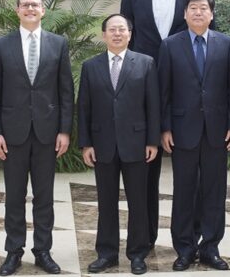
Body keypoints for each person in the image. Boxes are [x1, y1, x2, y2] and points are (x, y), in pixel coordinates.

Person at [120, 0, 212, 248]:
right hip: (142, 90)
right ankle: (144, 240)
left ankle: (192, 239)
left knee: (192, 172)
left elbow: (207, 39)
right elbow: (127, 38)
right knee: (145, 167)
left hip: (187, 92)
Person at [0, 0, 74, 276]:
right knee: (14, 196)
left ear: (43, 10)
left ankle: (43, 251)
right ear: (17, 10)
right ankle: (13, 251)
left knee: (44, 196)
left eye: (35, 4)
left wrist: (64, 130)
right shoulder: (2, 45)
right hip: (12, 134)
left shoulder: (58, 44)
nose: (30, 9)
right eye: (25, 5)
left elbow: (66, 91)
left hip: (48, 133)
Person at [157, 0, 230, 271]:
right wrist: (165, 127)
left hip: (217, 131)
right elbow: (163, 91)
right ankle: (184, 249)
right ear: (184, 14)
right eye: (192, 8)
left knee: (214, 191)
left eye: (203, 8)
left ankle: (210, 248)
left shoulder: (226, 44)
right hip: (182, 130)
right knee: (184, 191)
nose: (197, 12)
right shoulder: (170, 45)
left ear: (211, 14)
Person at [78, 14, 160, 275]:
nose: (117, 34)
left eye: (121, 29)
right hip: (102, 144)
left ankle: (138, 254)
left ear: (130, 34)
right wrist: (86, 143)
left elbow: (153, 105)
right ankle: (107, 253)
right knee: (106, 201)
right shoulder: (90, 66)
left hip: (136, 143)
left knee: (138, 201)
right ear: (104, 35)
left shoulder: (145, 63)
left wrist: (152, 141)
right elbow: (84, 107)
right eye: (112, 30)